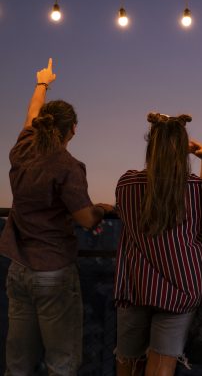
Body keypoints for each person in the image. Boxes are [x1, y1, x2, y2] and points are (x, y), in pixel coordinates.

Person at [0, 58, 114, 375]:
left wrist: (42, 83)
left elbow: (31, 114)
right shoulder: (67, 166)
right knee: (61, 363)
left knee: (18, 363)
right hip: (52, 271)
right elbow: (86, 219)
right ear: (72, 130)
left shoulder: (22, 147)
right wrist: (103, 208)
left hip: (18, 269)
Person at [113, 112, 202, 375]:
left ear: (151, 146)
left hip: (136, 285)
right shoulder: (195, 188)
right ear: (184, 151)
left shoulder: (127, 183)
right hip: (182, 288)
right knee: (161, 367)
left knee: (127, 362)